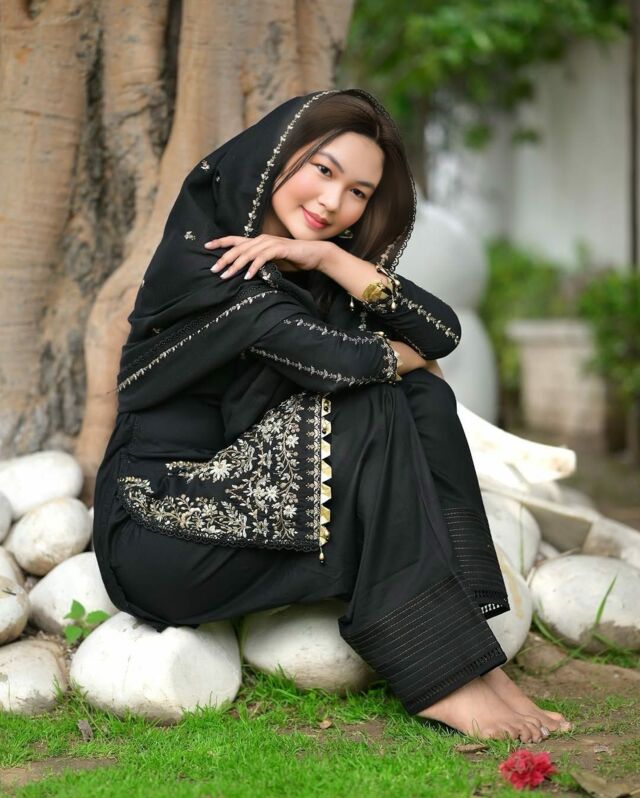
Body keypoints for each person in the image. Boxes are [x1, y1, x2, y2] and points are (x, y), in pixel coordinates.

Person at [92, 88, 570, 741]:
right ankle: (442, 672)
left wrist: (330, 258)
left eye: (357, 193)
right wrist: (404, 357)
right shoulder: (215, 265)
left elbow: (443, 331)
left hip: (247, 504)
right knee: (380, 393)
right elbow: (354, 362)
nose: (332, 201)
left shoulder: (303, 264)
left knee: (423, 397)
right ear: (276, 156)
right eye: (322, 169)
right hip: (163, 535)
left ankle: (470, 654)